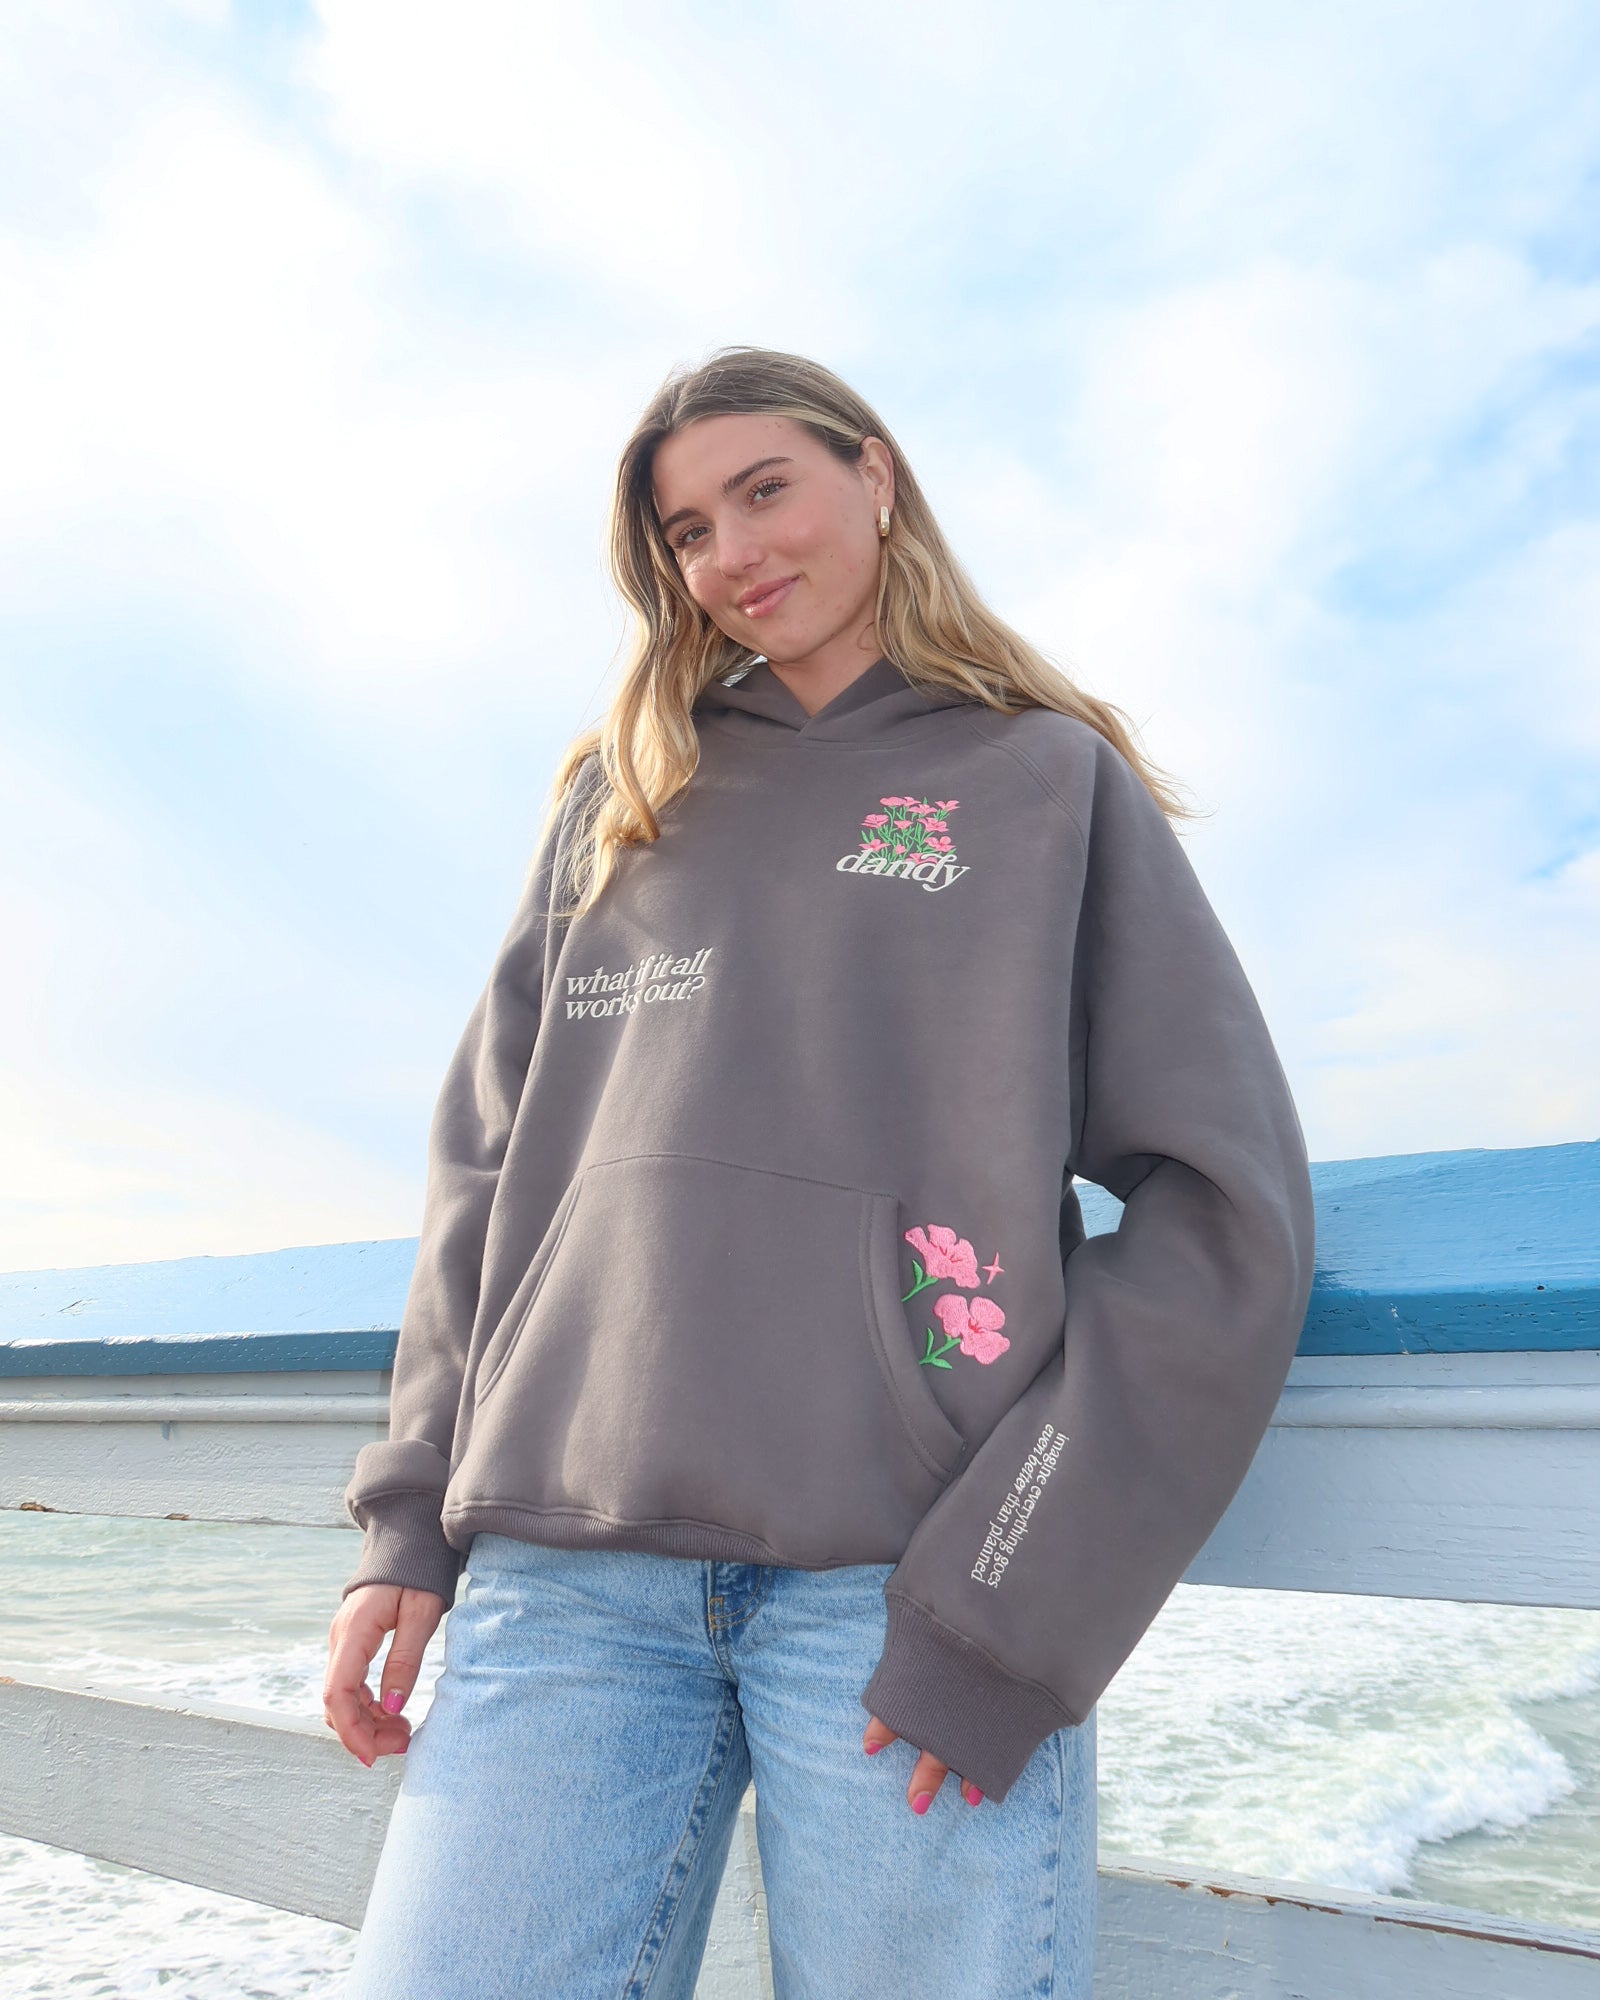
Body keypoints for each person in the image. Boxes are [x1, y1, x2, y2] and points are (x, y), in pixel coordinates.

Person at [325, 344, 1317, 1999]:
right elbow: (488, 1181)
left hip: (896, 1593)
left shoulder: (1042, 782)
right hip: (564, 1583)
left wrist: (1010, 1599)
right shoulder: (619, 801)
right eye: (686, 532)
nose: (729, 555)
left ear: (876, 473)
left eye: (762, 489)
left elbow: (1224, 1209)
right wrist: (405, 1527)